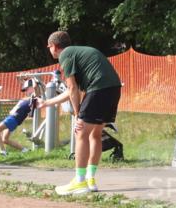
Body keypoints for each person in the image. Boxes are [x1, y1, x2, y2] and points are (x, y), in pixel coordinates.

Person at [37, 31, 122, 195]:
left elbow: (72, 88)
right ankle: (90, 179)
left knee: (81, 133)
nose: (50, 50)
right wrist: (46, 102)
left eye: (49, 47)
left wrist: (77, 115)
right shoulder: (79, 52)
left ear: (54, 46)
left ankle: (79, 181)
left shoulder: (66, 55)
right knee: (95, 134)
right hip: (113, 89)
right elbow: (71, 91)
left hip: (99, 89)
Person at [0, 78, 39, 156]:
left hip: (13, 119)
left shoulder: (33, 99)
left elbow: (36, 87)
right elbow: (24, 83)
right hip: (12, 118)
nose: (25, 91)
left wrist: (33, 78)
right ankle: (25, 150)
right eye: (25, 90)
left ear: (31, 89)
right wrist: (22, 79)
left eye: (27, 89)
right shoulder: (26, 98)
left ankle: (3, 152)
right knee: (4, 139)